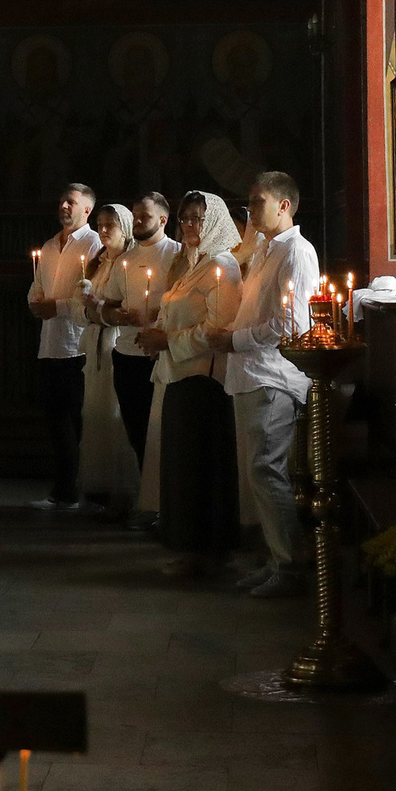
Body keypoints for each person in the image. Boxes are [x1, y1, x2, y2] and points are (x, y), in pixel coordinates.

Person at [206, 171, 317, 598]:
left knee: (267, 472)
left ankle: (290, 568)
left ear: (284, 206)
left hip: (272, 375)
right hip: (250, 374)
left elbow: (292, 324)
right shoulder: (267, 250)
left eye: (256, 202)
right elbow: (257, 310)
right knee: (258, 473)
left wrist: (233, 339)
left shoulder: (298, 253)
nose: (250, 211)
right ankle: (276, 559)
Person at [142, 192, 244, 577]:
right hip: (179, 374)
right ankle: (188, 547)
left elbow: (219, 326)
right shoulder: (188, 264)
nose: (189, 226)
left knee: (200, 468)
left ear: (215, 220)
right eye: (185, 218)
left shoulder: (222, 265)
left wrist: (167, 340)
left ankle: (206, 552)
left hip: (205, 378)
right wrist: (157, 333)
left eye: (198, 219)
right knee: (181, 466)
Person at [99, 191, 179, 525]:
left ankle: (167, 506)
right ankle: (148, 502)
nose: (136, 221)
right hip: (127, 353)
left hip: (162, 355)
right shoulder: (124, 260)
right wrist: (119, 317)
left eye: (144, 215)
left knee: (160, 431)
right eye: (134, 215)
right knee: (136, 430)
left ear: (162, 219)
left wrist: (157, 315)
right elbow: (108, 305)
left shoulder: (177, 255)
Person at [24, 183, 102, 511]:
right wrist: (35, 303)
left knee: (78, 422)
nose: (64, 207)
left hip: (77, 345)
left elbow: (91, 294)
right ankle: (62, 490)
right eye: (62, 202)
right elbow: (36, 287)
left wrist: (56, 306)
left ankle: (81, 489)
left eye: (71, 202)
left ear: (87, 209)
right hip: (50, 345)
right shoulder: (50, 245)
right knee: (56, 421)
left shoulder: (94, 243)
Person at [72, 203, 135, 514]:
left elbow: (122, 309)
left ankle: (123, 492)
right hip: (95, 342)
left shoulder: (127, 263)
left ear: (126, 227)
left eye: (111, 224)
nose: (104, 230)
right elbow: (84, 307)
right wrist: (89, 307)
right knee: (95, 414)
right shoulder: (98, 263)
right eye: (100, 223)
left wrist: (99, 308)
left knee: (115, 415)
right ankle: (100, 489)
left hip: (114, 343)